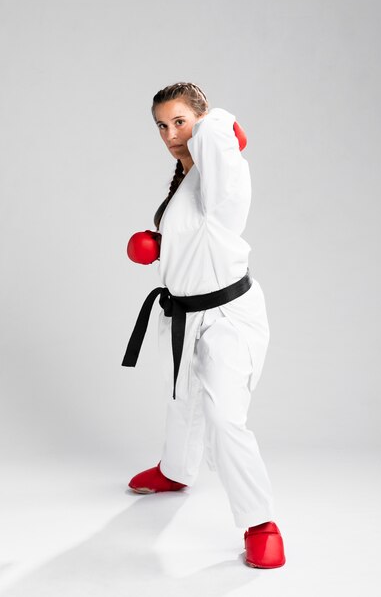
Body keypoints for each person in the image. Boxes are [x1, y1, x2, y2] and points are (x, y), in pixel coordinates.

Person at [123, 82, 286, 569]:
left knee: (222, 416)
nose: (171, 134)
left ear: (201, 117)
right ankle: (176, 471)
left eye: (180, 121)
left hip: (228, 316)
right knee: (183, 396)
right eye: (162, 125)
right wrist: (158, 244)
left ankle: (261, 523)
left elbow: (221, 167)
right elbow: (196, 229)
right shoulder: (188, 174)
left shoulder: (222, 167)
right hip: (184, 312)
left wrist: (217, 123)